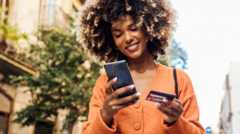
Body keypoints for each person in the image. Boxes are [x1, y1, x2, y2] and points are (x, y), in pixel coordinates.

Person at [80, 0, 204, 133]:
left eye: (133, 28)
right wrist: (105, 114)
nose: (127, 38)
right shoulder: (105, 83)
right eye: (118, 34)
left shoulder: (178, 79)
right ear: (112, 41)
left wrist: (176, 121)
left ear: (148, 28)